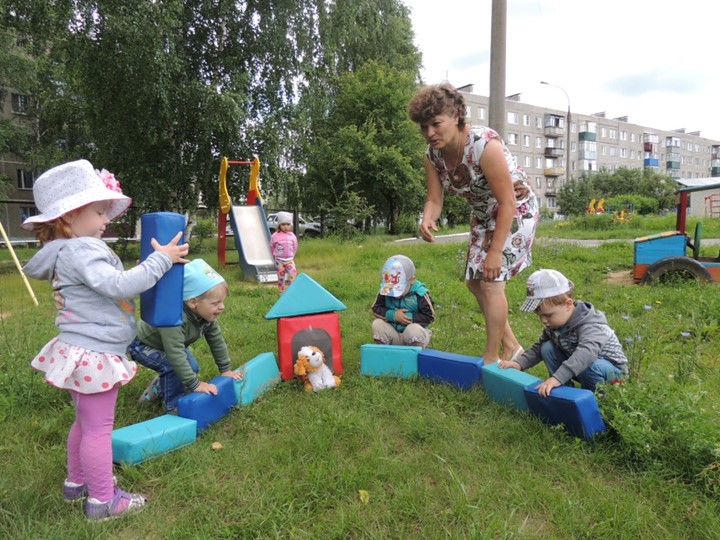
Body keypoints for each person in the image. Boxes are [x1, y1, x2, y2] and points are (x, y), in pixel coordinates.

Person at [21, 159, 189, 520]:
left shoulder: (68, 251)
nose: (106, 220)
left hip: (79, 348)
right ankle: (103, 500)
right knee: (99, 429)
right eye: (99, 212)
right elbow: (119, 285)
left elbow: (105, 287)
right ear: (69, 218)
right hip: (94, 351)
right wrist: (161, 261)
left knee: (83, 423)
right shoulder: (82, 249)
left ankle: (75, 483)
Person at [409, 83, 539, 364]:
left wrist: (495, 252)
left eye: (435, 124)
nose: (429, 133)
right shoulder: (433, 156)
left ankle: (492, 358)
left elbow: (508, 202)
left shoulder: (484, 145)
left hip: (515, 211)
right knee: (474, 283)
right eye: (423, 127)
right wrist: (427, 217)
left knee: (491, 282)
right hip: (482, 214)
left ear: (456, 115)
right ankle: (513, 346)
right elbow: (435, 198)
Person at [127, 258, 243, 412]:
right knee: (172, 367)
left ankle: (158, 387)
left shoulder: (206, 317)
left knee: (191, 368)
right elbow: (175, 353)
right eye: (215, 303)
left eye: (222, 302)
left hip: (165, 345)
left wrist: (225, 369)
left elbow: (216, 341)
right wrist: (195, 385)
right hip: (140, 344)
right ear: (193, 302)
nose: (221, 307)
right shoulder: (174, 319)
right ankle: (173, 406)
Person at [498, 269, 628, 396]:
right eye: (540, 315)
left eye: (548, 315)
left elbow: (585, 355)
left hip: (613, 375)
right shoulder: (556, 324)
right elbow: (538, 349)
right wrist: (519, 364)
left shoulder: (591, 324)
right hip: (582, 368)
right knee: (547, 347)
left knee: (589, 364)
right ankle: (563, 393)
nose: (543, 320)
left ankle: (594, 399)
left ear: (568, 304)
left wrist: (557, 377)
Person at [371, 254, 435, 349]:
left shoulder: (420, 293)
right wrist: (393, 315)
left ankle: (414, 354)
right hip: (393, 332)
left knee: (413, 330)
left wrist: (408, 318)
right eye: (390, 288)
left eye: (398, 288)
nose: (393, 294)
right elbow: (376, 308)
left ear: (412, 280)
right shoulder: (385, 290)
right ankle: (387, 353)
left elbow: (430, 316)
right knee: (377, 324)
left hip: (413, 335)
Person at [270, 211, 298, 293]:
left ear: (290, 225)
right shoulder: (275, 236)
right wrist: (275, 256)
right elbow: (272, 246)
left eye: (288, 224)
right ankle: (281, 293)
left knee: (293, 276)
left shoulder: (292, 236)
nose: (286, 226)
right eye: (283, 224)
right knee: (281, 278)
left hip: (290, 260)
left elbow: (295, 246)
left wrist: (292, 255)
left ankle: (291, 292)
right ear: (279, 225)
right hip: (279, 261)